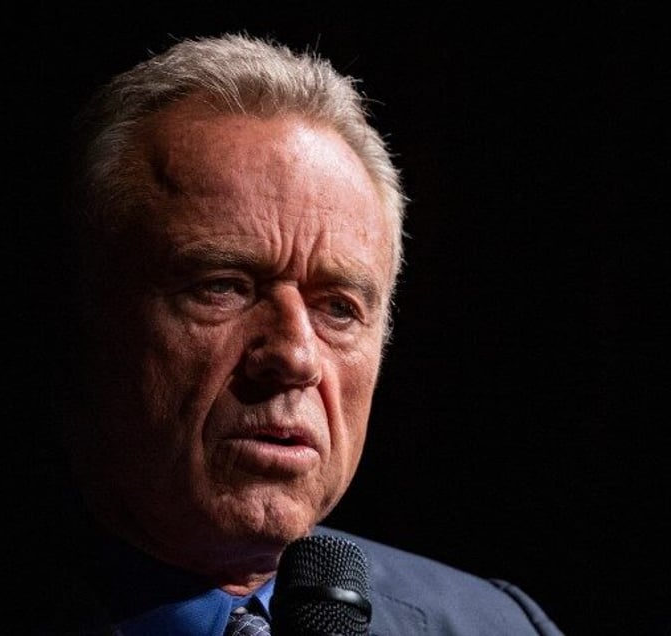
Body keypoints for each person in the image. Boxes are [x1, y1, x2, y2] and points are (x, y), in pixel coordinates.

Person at [44, 32, 564, 635]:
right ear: (83, 316)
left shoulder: (495, 626)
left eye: (338, 309)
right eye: (223, 286)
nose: (294, 354)